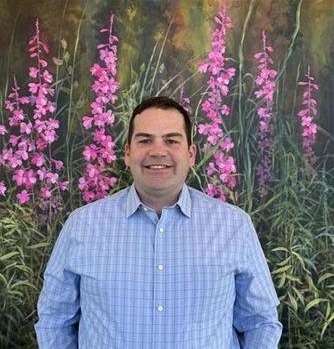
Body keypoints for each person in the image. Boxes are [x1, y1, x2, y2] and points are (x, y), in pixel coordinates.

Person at [35, 96, 282, 348]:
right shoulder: (82, 226)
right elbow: (55, 320)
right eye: (144, 140)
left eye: (171, 140)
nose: (157, 151)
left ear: (191, 154)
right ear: (128, 154)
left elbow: (261, 322)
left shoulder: (234, 226)